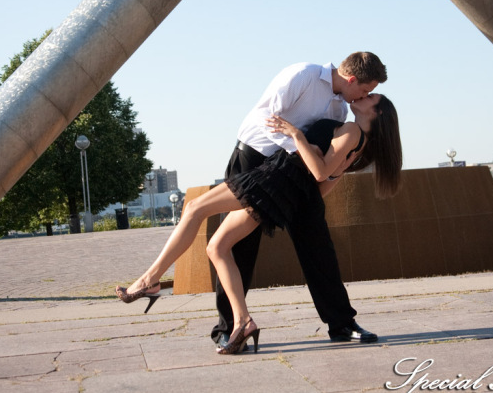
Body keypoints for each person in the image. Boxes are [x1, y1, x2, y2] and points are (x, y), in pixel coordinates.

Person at [115, 91, 402, 354]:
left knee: (193, 209)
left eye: (370, 97)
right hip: (281, 189)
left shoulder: (352, 129)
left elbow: (318, 173)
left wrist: (296, 136)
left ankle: (149, 281)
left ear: (376, 113)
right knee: (217, 247)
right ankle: (243, 321)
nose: (364, 96)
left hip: (273, 179)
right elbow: (323, 184)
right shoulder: (359, 146)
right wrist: (299, 181)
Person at [214, 52, 388, 346]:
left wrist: (327, 169)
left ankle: (342, 324)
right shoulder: (303, 74)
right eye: (365, 89)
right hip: (254, 158)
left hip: (295, 175)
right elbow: (266, 118)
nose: (364, 95)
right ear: (352, 79)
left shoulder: (340, 110)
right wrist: (297, 145)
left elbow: (323, 155)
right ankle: (229, 329)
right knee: (239, 245)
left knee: (318, 244)